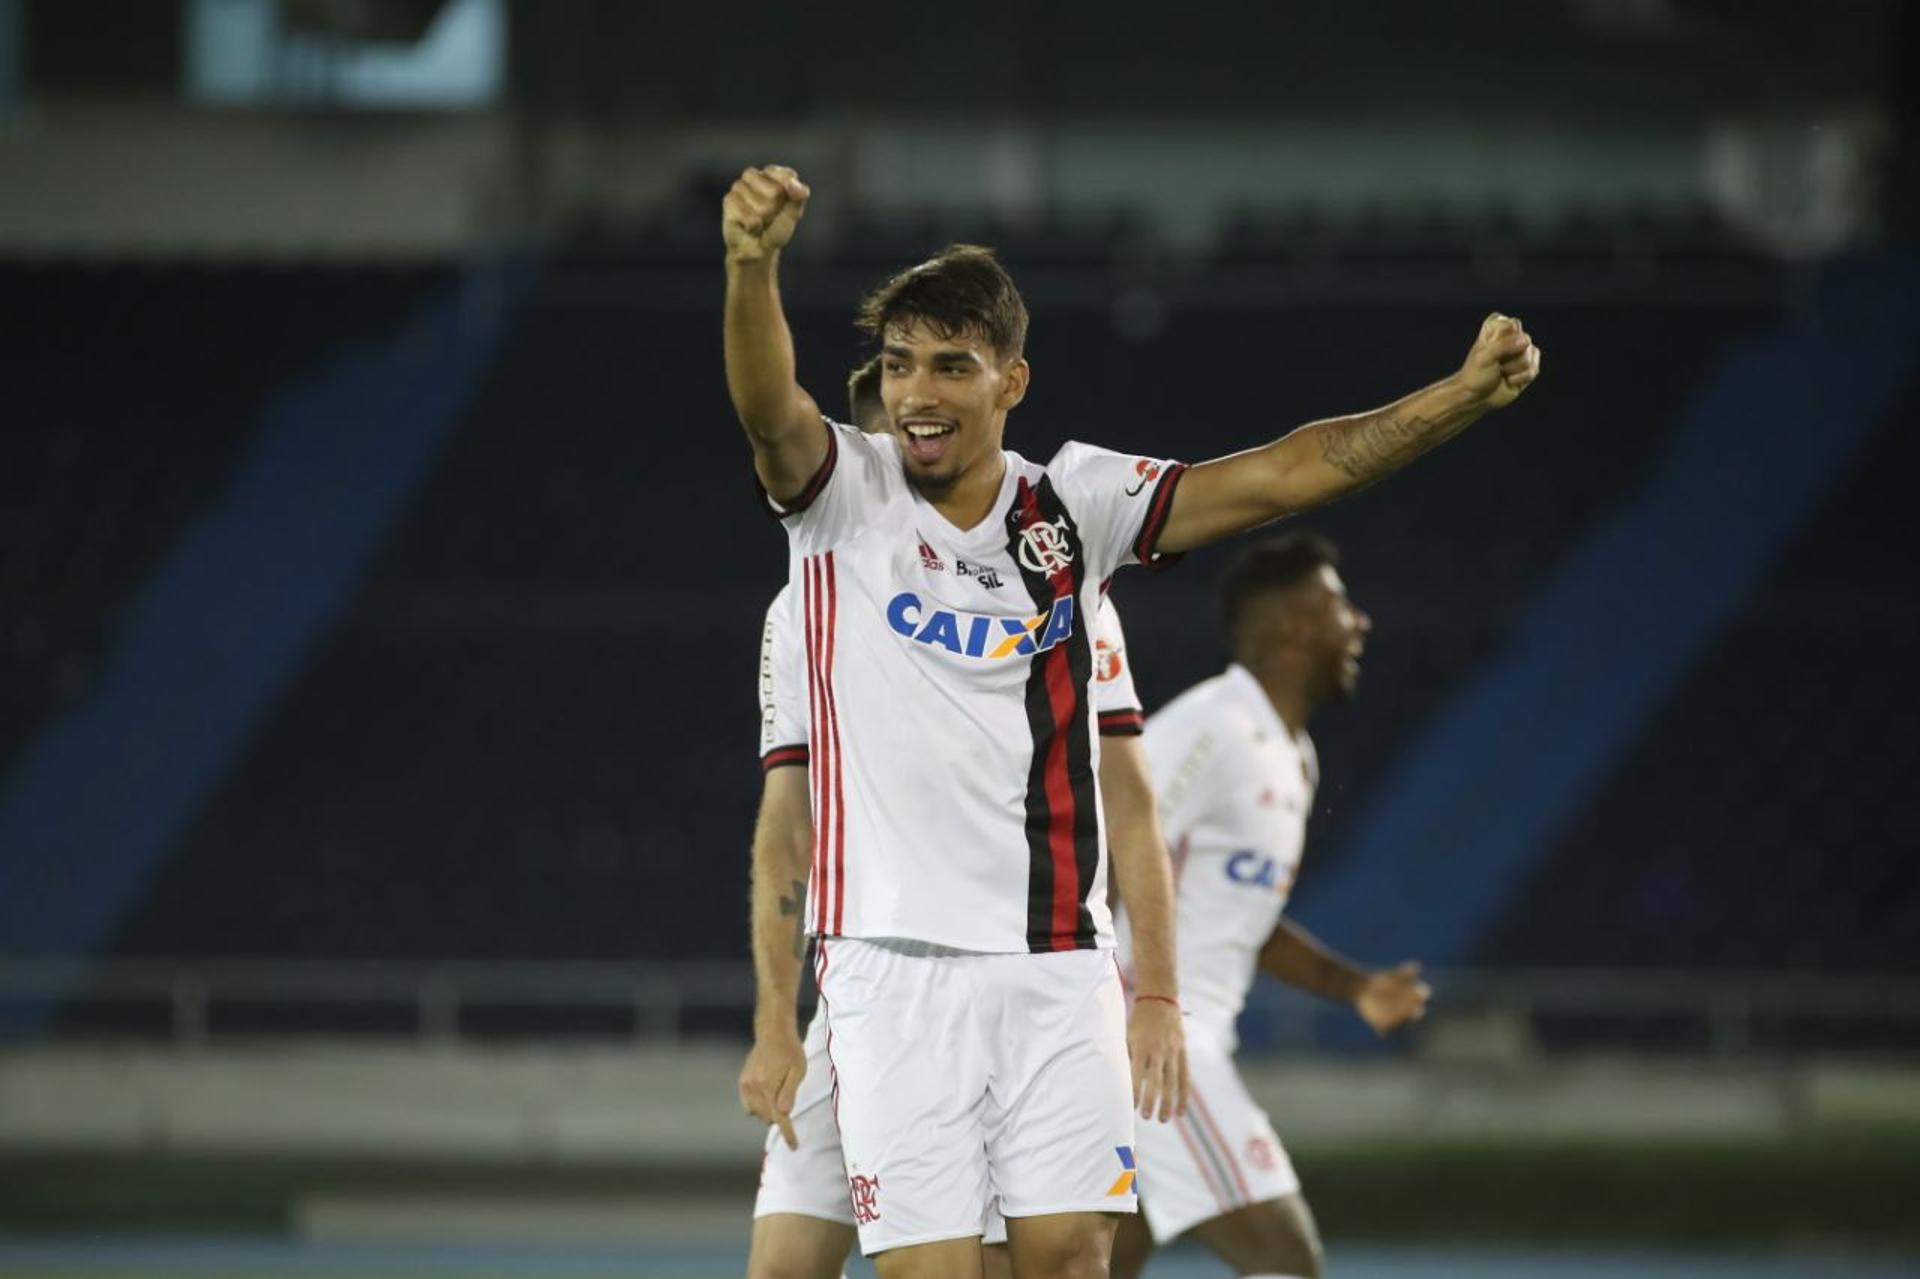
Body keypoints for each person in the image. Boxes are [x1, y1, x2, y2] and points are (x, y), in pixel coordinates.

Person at [720, 164, 1539, 1278]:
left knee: (1069, 1263)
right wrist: (751, 263)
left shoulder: (1074, 507)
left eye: (951, 366)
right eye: (902, 362)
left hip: (1060, 967)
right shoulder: (838, 499)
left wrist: (1453, 398)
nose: (917, 391)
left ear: (1011, 382)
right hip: (892, 973)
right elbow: (770, 410)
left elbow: (1283, 476)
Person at [738, 362, 1188, 1279]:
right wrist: (776, 1019)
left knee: (1005, 1255)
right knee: (785, 1265)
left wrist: (1156, 992)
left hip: (1018, 974)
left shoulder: (1070, 602)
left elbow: (1130, 803)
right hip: (875, 983)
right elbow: (789, 822)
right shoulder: (804, 612)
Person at [1110, 535, 1430, 1279]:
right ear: (1293, 625)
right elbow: (1103, 842)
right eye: (1339, 604)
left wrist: (1356, 987)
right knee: (1287, 1259)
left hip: (1164, 1041)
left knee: (1092, 1266)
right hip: (1154, 1042)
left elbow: (1237, 919)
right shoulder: (1212, 725)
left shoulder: (1295, 756)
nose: (1361, 622)